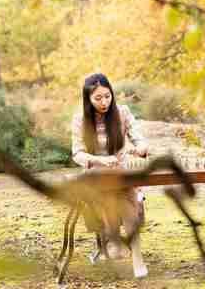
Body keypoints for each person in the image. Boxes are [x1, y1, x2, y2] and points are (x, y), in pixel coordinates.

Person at [71, 73, 149, 278]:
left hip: (120, 174)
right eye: (98, 98)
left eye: (107, 96)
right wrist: (100, 160)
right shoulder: (80, 119)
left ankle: (134, 255)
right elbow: (77, 154)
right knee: (108, 193)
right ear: (88, 99)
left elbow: (138, 136)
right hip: (95, 176)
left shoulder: (122, 112)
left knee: (125, 196)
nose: (104, 102)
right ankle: (116, 242)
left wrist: (141, 146)